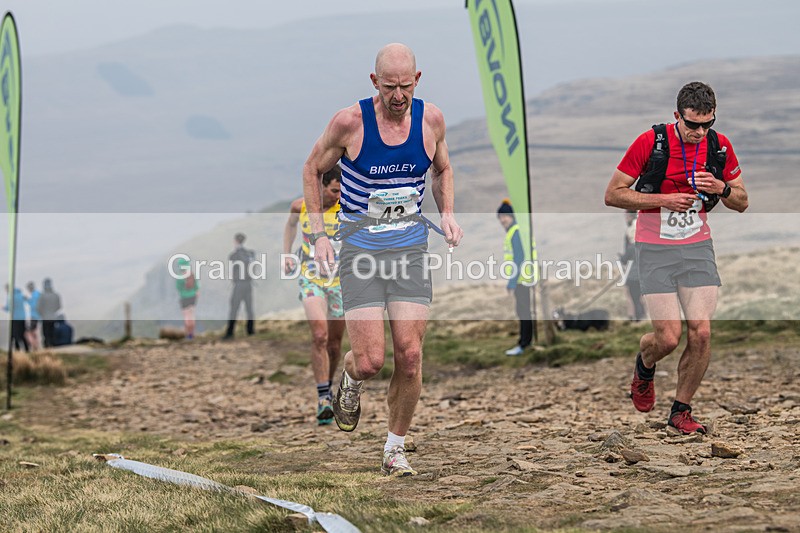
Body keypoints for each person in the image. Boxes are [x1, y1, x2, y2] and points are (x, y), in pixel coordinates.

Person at [302, 43, 463, 476]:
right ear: (375, 82)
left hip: (409, 249)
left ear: (418, 79)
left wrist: (446, 214)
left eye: (405, 86)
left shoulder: (431, 120)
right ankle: (350, 379)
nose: (398, 95)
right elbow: (312, 169)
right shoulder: (349, 122)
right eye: (389, 86)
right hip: (361, 252)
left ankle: (395, 449)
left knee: (410, 356)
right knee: (371, 360)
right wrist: (319, 235)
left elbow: (442, 168)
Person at [604, 81, 748, 435]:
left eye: (707, 124)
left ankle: (681, 411)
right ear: (676, 116)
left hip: (697, 246)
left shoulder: (719, 146)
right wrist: (662, 201)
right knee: (668, 337)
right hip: (654, 248)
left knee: (700, 333)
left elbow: (742, 201)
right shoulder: (649, 143)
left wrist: (722, 189)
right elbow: (613, 195)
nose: (700, 132)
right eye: (692, 124)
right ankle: (645, 365)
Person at [282, 165, 346, 425]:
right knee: (319, 335)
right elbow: (290, 225)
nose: (337, 196)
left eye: (341, 192)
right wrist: (286, 253)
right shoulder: (301, 206)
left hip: (341, 282)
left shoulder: (347, 207)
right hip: (310, 277)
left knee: (333, 343)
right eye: (333, 191)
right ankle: (323, 398)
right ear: (321, 185)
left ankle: (328, 389)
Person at [497, 199, 537, 356]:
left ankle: (524, 344)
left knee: (523, 311)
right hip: (524, 278)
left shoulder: (515, 232)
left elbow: (518, 258)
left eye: (505, 216)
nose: (502, 220)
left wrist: (512, 282)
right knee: (523, 311)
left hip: (522, 279)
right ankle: (525, 342)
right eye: (500, 217)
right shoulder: (516, 231)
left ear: (511, 216)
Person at [224, 233, 255, 339]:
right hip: (248, 284)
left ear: (236, 241)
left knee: (234, 307)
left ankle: (230, 332)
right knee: (249, 308)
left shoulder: (236, 254)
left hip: (239, 284)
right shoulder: (249, 254)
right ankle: (251, 331)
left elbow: (231, 259)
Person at [620, 211, 646, 321]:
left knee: (633, 297)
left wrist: (622, 258)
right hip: (645, 273)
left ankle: (636, 317)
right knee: (641, 297)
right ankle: (642, 316)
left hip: (633, 274)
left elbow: (625, 258)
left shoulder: (631, 240)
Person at [175, 257, 199, 339]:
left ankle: (188, 334)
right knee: (192, 315)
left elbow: (178, 288)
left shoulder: (179, 277)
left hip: (184, 298)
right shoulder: (191, 274)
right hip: (193, 297)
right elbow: (196, 286)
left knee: (186, 316)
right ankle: (192, 333)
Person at [37, 278, 62, 348]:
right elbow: (59, 306)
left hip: (45, 317)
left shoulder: (42, 296)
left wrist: (42, 313)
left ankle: (47, 347)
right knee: (52, 333)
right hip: (53, 317)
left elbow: (38, 307)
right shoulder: (56, 295)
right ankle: (53, 345)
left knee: (46, 334)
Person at [4, 283, 29, 352]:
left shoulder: (10, 297)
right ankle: (27, 349)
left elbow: (9, 308)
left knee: (14, 335)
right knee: (22, 334)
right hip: (22, 317)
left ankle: (17, 350)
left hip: (15, 318)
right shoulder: (20, 294)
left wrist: (3, 307)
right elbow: (26, 299)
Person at [24, 281, 42, 351]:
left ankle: (34, 346)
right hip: (38, 315)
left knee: (29, 332)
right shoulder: (38, 294)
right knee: (33, 331)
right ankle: (36, 345)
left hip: (34, 316)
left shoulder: (35, 295)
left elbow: (34, 305)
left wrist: (27, 300)